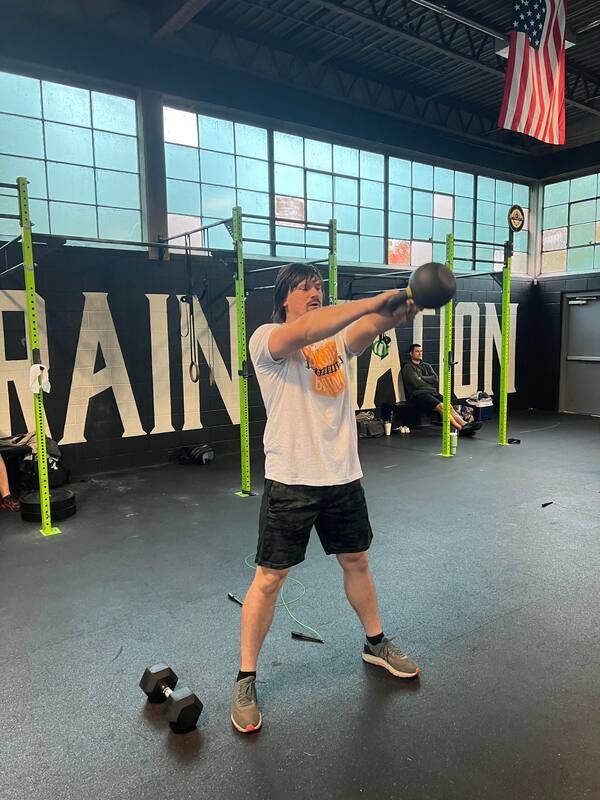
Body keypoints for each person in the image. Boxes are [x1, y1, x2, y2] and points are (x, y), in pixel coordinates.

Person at [231, 263, 421, 734]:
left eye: (318, 287)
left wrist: (405, 306)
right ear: (285, 300)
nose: (314, 293)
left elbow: (367, 327)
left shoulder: (335, 343)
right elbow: (319, 325)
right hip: (291, 479)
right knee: (270, 580)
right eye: (304, 288)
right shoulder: (267, 338)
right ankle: (245, 677)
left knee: (357, 561)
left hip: (341, 476)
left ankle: (375, 643)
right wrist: (375, 301)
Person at [401, 344, 476, 432]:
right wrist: (426, 381)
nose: (420, 353)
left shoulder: (426, 365)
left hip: (432, 392)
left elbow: (435, 379)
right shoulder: (408, 367)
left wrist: (421, 377)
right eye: (417, 351)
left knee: (449, 406)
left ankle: (465, 424)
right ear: (411, 353)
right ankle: (460, 429)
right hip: (418, 394)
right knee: (442, 406)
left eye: (421, 351)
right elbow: (416, 383)